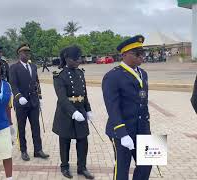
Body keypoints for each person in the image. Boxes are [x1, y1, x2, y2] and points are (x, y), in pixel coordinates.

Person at [102, 35, 152, 180]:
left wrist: (147, 127)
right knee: (122, 168)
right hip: (122, 130)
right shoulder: (112, 76)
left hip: (142, 127)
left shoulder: (143, 73)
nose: (142, 57)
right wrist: (122, 133)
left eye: (143, 53)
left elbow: (143, 102)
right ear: (125, 55)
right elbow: (112, 107)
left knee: (148, 162)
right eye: (138, 54)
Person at [52, 46, 95, 179]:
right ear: (67, 59)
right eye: (75, 59)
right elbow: (62, 98)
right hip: (66, 113)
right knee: (64, 141)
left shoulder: (80, 73)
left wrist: (88, 109)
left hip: (81, 111)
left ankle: (82, 167)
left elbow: (84, 93)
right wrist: (73, 112)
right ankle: (64, 166)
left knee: (83, 140)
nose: (78, 61)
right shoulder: (59, 76)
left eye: (79, 58)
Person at [9, 43, 49, 161]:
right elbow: (13, 84)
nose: (27, 54)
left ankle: (38, 150)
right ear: (19, 54)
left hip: (33, 102)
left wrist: (40, 97)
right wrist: (18, 96)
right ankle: (23, 150)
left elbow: (37, 82)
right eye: (24, 52)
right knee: (21, 127)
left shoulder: (33, 66)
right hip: (21, 103)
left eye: (28, 52)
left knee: (36, 126)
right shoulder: (14, 67)